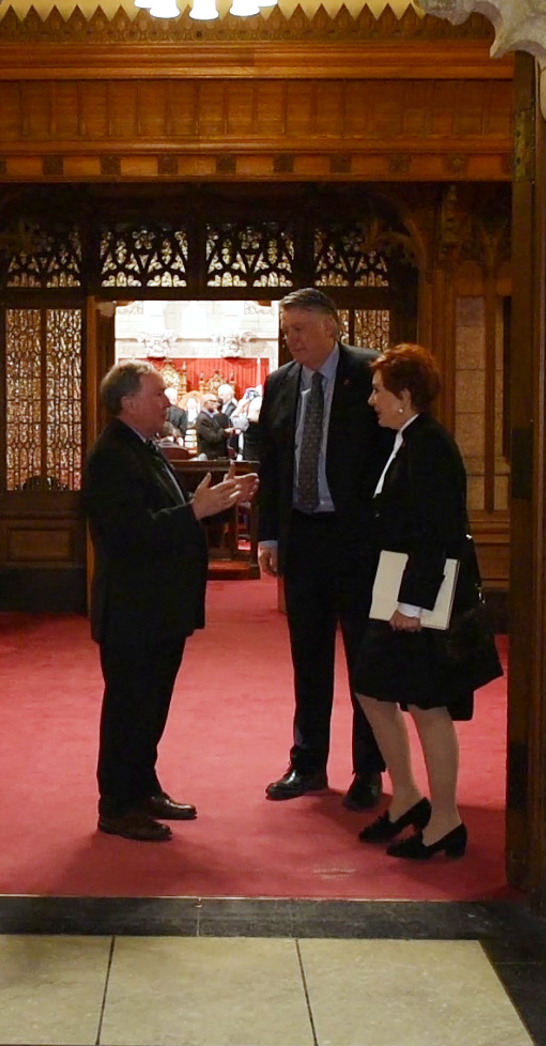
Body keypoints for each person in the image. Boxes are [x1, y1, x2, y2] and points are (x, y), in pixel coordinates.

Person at [83, 360, 257, 841]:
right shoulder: (111, 456)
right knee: (129, 707)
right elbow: (129, 535)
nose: (167, 401)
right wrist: (196, 511)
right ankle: (117, 805)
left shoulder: (144, 447)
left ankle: (143, 787)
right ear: (128, 403)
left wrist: (206, 503)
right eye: (158, 394)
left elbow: (167, 512)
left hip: (157, 606)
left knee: (151, 704)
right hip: (133, 608)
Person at [350, 344, 501, 859]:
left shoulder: (430, 444)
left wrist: (412, 605)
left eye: (378, 391)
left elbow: (438, 532)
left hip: (422, 598)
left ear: (404, 396)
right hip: (400, 590)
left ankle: (445, 818)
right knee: (374, 690)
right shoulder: (404, 439)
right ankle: (410, 796)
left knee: (427, 705)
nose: (371, 400)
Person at [251, 288, 393, 810]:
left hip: (357, 539)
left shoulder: (370, 373)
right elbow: (273, 463)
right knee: (307, 656)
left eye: (302, 329)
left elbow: (388, 458)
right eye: (288, 331)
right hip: (304, 535)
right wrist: (269, 535)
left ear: (331, 327)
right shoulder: (280, 383)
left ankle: (369, 769)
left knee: (365, 657)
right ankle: (307, 763)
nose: (293, 340)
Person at [193, 394, 235, 460]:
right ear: (206, 403)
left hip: (216, 455)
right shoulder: (203, 419)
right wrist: (224, 431)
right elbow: (212, 438)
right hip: (209, 456)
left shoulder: (210, 417)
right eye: (214, 402)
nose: (216, 404)